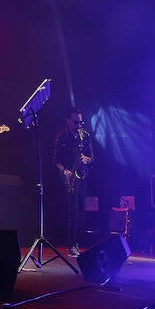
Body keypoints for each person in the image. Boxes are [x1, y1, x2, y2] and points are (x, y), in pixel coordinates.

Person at [54, 108, 95, 257]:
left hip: (82, 176)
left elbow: (92, 157)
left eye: (81, 122)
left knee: (81, 211)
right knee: (73, 213)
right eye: (76, 122)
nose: (79, 125)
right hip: (69, 177)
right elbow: (56, 161)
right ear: (68, 120)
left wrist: (87, 159)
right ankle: (71, 244)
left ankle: (77, 243)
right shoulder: (62, 137)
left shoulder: (85, 135)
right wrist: (66, 172)